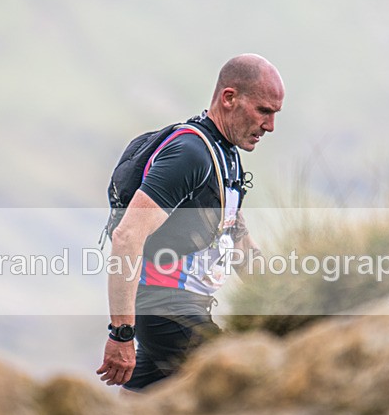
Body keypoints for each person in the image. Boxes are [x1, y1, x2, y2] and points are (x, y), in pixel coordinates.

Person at [97, 53, 285, 391]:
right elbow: (127, 236)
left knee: (143, 404)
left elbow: (240, 243)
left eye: (275, 114)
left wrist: (288, 304)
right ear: (229, 98)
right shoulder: (190, 154)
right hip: (166, 310)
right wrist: (121, 333)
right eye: (263, 111)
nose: (270, 126)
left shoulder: (225, 155)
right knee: (246, 380)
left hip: (185, 308)